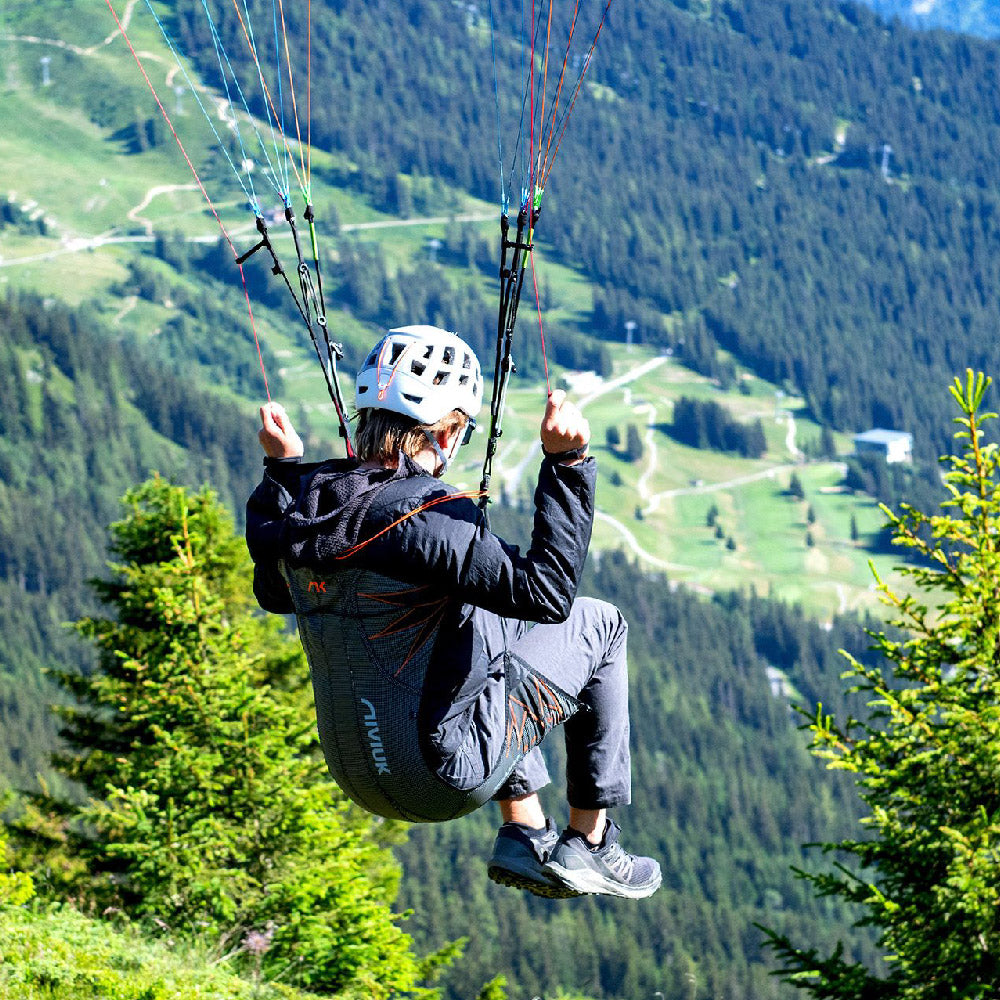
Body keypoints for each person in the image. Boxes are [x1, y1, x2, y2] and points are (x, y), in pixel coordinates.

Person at [246, 324, 660, 899]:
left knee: (479, 604)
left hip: (356, 769)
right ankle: (590, 844)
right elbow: (548, 594)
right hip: (442, 775)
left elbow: (275, 592)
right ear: (448, 430)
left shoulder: (308, 504)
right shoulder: (426, 517)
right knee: (600, 624)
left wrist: (285, 470)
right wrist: (567, 464)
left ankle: (525, 831)